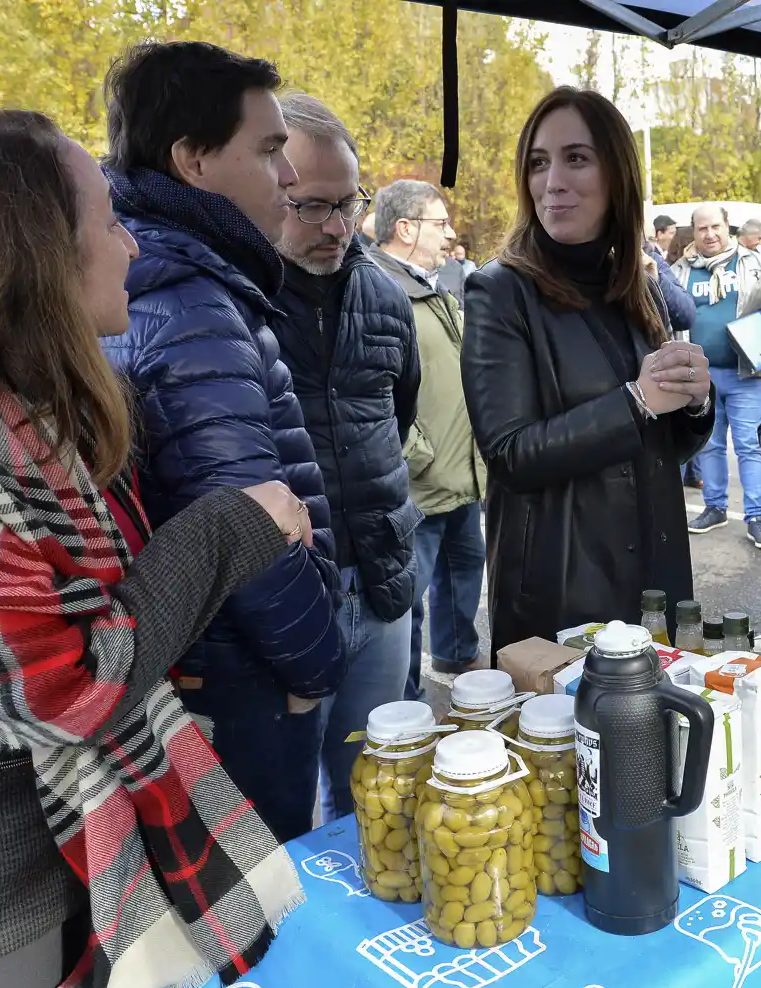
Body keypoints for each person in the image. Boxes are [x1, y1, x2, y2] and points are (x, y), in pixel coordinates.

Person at [0, 109, 309, 988]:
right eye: (107, 221)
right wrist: (230, 527)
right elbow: (70, 684)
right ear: (32, 256)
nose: (132, 246)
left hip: (54, 859)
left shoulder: (21, 418)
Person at [101, 43, 346, 842]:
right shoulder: (188, 301)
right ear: (194, 161)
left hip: (225, 664)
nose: (286, 177)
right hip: (245, 678)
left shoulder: (181, 276)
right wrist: (314, 666)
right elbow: (239, 522)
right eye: (269, 150)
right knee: (259, 914)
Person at [462, 86, 714, 653]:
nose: (553, 180)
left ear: (617, 175)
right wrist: (636, 401)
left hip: (656, 572)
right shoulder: (500, 291)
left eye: (576, 158)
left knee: (661, 734)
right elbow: (509, 454)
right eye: (538, 162)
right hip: (564, 585)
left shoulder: (635, 284)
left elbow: (663, 445)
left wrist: (694, 401)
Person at [268, 94, 422, 821]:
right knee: (284, 811)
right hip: (289, 600)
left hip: (384, 587)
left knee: (375, 801)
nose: (336, 227)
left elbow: (400, 415)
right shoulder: (239, 305)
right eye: (311, 206)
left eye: (349, 204)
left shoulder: (388, 299)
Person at [366, 179, 488, 693]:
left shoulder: (430, 284)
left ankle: (458, 660)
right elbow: (375, 391)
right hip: (421, 480)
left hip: (459, 474)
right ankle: (408, 702)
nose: (451, 234)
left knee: (464, 569)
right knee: (408, 598)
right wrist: (417, 454)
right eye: (440, 224)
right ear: (406, 228)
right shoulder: (379, 290)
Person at [673, 203, 761, 549]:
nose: (709, 234)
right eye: (702, 229)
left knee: (750, 446)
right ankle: (715, 508)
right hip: (699, 377)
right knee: (708, 445)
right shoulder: (682, 269)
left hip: (743, 372)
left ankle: (757, 516)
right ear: (693, 232)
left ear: (728, 228)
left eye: (715, 227)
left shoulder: (754, 263)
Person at [437, 241, 474, 306]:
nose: (461, 256)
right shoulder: (448, 266)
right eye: (458, 254)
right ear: (454, 254)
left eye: (462, 254)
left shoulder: (470, 265)